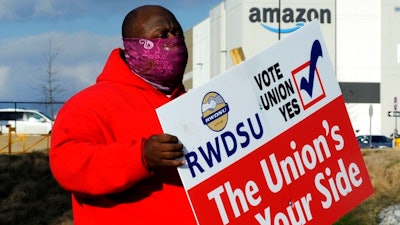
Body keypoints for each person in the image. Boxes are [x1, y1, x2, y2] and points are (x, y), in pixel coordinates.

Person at [49, 5, 197, 225]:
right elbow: (68, 166)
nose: (173, 41)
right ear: (133, 47)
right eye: (161, 35)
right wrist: (140, 157)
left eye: (177, 33)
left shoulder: (194, 104)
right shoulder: (88, 105)